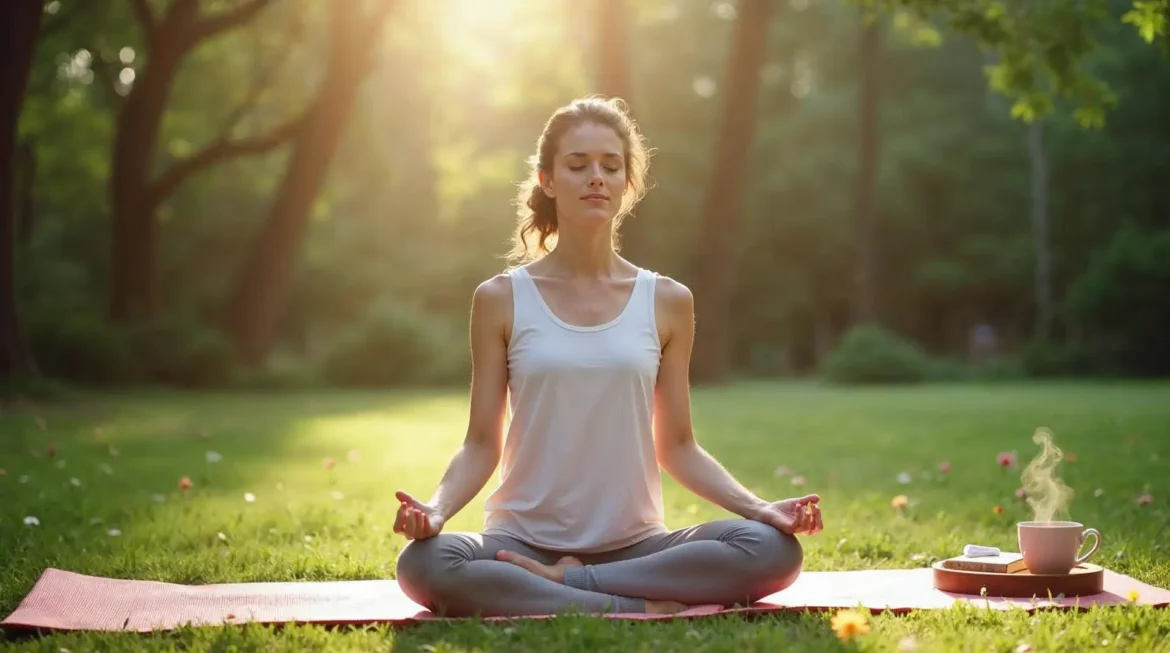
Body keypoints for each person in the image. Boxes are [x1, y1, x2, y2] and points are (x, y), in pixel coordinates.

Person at [393, 96, 823, 618]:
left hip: (637, 546)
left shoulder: (667, 300)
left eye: (610, 166)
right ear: (547, 180)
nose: (595, 177)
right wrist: (436, 511)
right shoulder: (500, 298)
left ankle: (572, 585)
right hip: (519, 545)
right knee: (425, 564)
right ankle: (631, 603)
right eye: (577, 166)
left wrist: (761, 509)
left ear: (627, 184)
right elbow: (482, 442)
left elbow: (679, 446)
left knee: (772, 550)